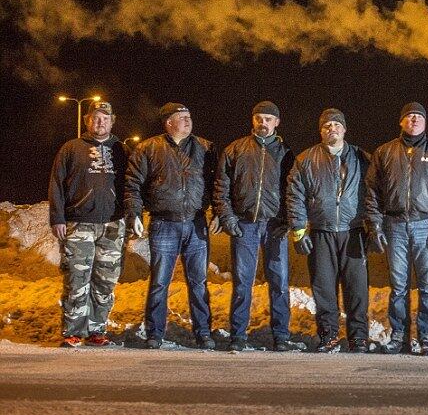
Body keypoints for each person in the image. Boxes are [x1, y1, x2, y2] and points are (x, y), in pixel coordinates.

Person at [364, 102, 428, 356]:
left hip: (427, 226)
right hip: (395, 226)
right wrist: (374, 224)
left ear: (425, 122)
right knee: (398, 286)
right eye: (409, 116)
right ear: (401, 122)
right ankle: (399, 336)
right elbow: (372, 191)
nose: (414, 120)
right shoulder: (385, 152)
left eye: (418, 117)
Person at [125, 102, 217, 350]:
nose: (188, 121)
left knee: (198, 282)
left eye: (189, 116)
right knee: (159, 282)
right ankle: (155, 332)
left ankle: (204, 332)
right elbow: (132, 184)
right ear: (168, 122)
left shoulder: (205, 148)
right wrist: (134, 212)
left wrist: (217, 211)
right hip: (164, 223)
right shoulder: (148, 148)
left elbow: (216, 183)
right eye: (182, 117)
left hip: (196, 223)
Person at [287, 108, 372, 353]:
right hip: (321, 231)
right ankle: (328, 335)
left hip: (353, 231)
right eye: (326, 126)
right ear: (320, 130)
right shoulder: (306, 159)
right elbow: (295, 195)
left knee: (357, 289)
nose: (331, 129)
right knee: (323, 287)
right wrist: (298, 229)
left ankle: (358, 337)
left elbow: (374, 192)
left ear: (344, 129)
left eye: (336, 125)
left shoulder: (360, 158)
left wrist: (374, 225)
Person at [214, 100, 294, 352]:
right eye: (259, 118)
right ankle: (238, 334)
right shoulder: (236, 149)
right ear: (253, 120)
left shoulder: (286, 153)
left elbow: (293, 190)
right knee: (242, 281)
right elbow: (221, 187)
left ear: (277, 122)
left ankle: (281, 335)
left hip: (275, 226)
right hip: (244, 223)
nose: (263, 122)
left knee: (279, 281)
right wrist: (226, 216)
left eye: (268, 119)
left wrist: (290, 219)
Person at [48, 101, 127, 348]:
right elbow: (57, 184)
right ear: (87, 121)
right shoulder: (71, 148)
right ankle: (72, 330)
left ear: (113, 121)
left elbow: (132, 186)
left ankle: (97, 329)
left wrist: (133, 215)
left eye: (105, 118)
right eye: (95, 118)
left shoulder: (122, 150)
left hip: (113, 225)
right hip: (78, 223)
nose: (100, 122)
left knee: (106, 281)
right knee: (77, 278)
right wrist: (57, 218)